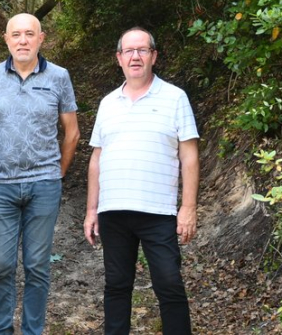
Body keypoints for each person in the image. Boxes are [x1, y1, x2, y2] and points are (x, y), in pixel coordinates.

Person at [0, 13, 80, 335]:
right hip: (2, 185)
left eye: (29, 34)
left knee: (37, 266)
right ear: (6, 39)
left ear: (41, 38)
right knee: (2, 264)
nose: (22, 40)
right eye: (16, 34)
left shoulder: (59, 77)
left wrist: (56, 174)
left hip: (43, 186)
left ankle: (33, 331)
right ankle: (1, 329)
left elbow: (71, 133)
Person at [84, 27, 200, 334]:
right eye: (129, 51)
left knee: (169, 284)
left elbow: (189, 155)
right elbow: (97, 158)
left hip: (158, 212)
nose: (135, 56)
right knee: (117, 286)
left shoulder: (175, 98)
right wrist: (91, 210)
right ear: (119, 59)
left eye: (142, 50)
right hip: (113, 211)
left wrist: (187, 208)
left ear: (154, 56)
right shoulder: (107, 103)